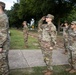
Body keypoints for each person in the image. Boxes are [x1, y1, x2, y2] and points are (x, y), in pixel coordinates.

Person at [0, 1, 10, 75]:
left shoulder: (3, 17)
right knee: (4, 60)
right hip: (3, 42)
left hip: (3, 43)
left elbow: (3, 32)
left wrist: (0, 45)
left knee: (2, 62)